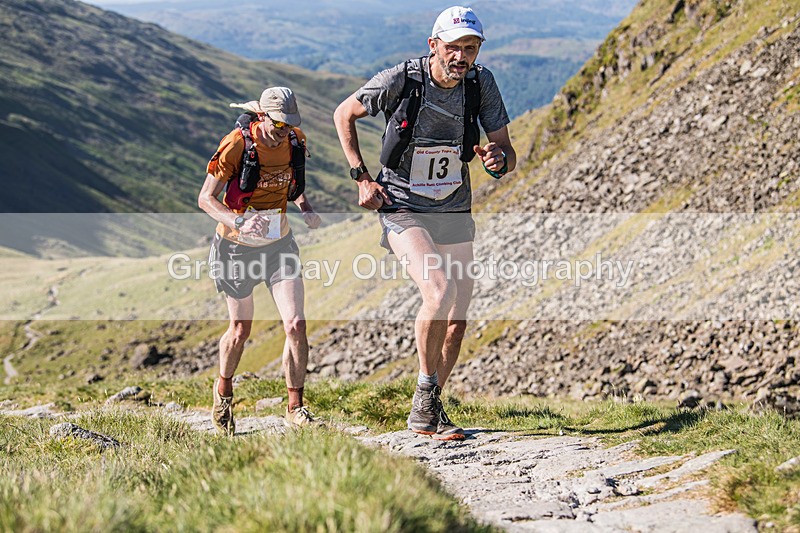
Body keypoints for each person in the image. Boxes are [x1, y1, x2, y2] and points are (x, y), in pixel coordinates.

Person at [333, 6, 516, 440]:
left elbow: (505, 150)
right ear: (433, 45)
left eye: (469, 48)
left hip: (453, 204)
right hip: (401, 203)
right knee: (439, 288)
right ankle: (423, 391)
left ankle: (431, 406)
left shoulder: (481, 83)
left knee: (457, 320)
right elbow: (344, 114)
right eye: (453, 48)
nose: (461, 57)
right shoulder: (403, 78)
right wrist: (361, 177)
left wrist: (497, 160)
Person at [198, 86, 322, 435]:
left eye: (289, 124)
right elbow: (206, 199)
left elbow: (293, 186)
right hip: (236, 247)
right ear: (262, 116)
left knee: (296, 324)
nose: (284, 130)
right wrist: (238, 220)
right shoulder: (237, 143)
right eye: (278, 123)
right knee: (240, 330)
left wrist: (306, 209)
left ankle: (295, 407)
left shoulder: (294, 140)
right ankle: (223, 392)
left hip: (279, 244)